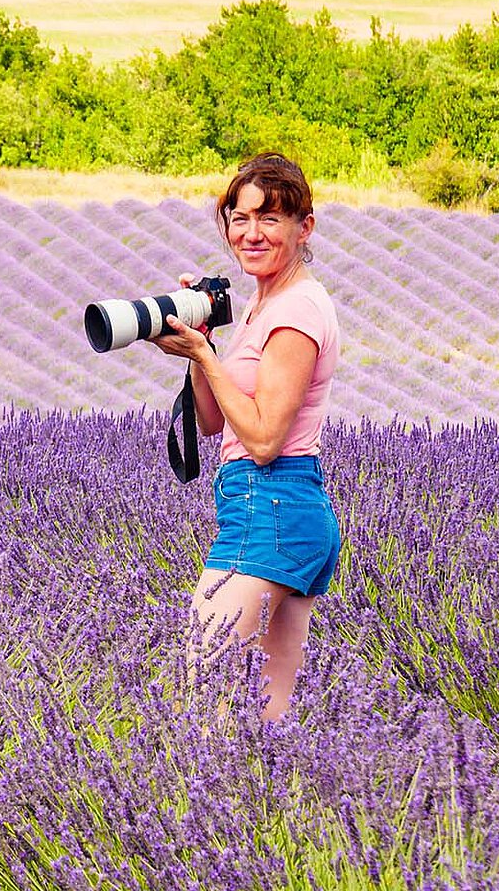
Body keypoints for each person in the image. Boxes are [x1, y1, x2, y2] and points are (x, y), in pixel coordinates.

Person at [148, 152, 343, 723]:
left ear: (304, 227)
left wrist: (208, 354)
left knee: (200, 702)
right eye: (239, 217)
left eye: (270, 218)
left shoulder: (297, 311)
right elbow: (211, 422)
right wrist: (199, 342)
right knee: (268, 720)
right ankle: (286, 811)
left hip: (269, 507)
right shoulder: (267, 304)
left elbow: (262, 440)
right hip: (284, 511)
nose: (251, 233)